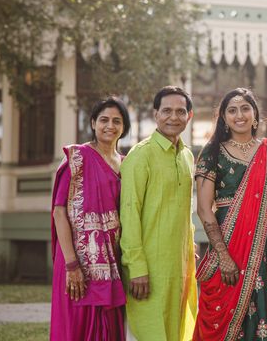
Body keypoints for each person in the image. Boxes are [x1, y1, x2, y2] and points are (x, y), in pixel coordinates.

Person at [193, 88, 267, 341]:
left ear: (255, 114)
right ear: (223, 118)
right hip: (228, 246)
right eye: (232, 110)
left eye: (245, 108)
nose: (240, 115)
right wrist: (223, 256)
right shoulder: (212, 152)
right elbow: (204, 208)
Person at [119, 86, 197, 341]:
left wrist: (190, 249)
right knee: (146, 332)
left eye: (180, 111)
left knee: (176, 330)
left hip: (179, 266)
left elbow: (184, 211)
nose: (173, 117)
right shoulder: (140, 156)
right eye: (166, 111)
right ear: (155, 114)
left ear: (189, 116)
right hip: (148, 268)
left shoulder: (187, 156)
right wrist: (137, 267)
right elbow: (129, 215)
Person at [50, 96, 130, 341]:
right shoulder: (77, 157)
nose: (110, 125)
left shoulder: (128, 164)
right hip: (77, 258)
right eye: (104, 119)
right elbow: (59, 211)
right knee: (77, 327)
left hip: (111, 260)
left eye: (117, 121)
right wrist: (72, 264)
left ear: (124, 127)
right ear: (93, 123)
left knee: (110, 327)